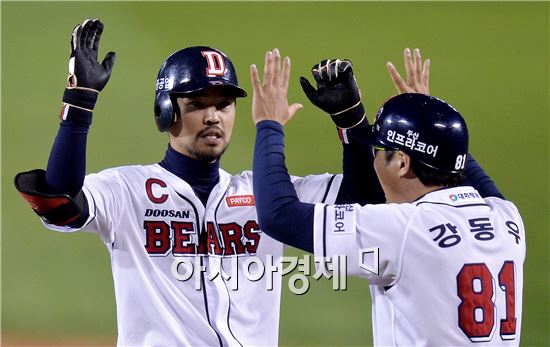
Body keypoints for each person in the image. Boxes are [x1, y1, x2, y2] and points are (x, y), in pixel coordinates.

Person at [14, 19, 384, 346]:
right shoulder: (125, 191)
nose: (213, 117)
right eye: (196, 103)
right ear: (165, 112)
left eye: (224, 104)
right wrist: (79, 103)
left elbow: (365, 203)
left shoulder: (269, 196)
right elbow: (59, 200)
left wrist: (351, 120)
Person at [251, 48, 525, 345]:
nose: (375, 158)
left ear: (403, 164)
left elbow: (278, 215)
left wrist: (269, 124)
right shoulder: (507, 220)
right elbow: (456, 163)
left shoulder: (404, 229)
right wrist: (353, 120)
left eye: (380, 151)